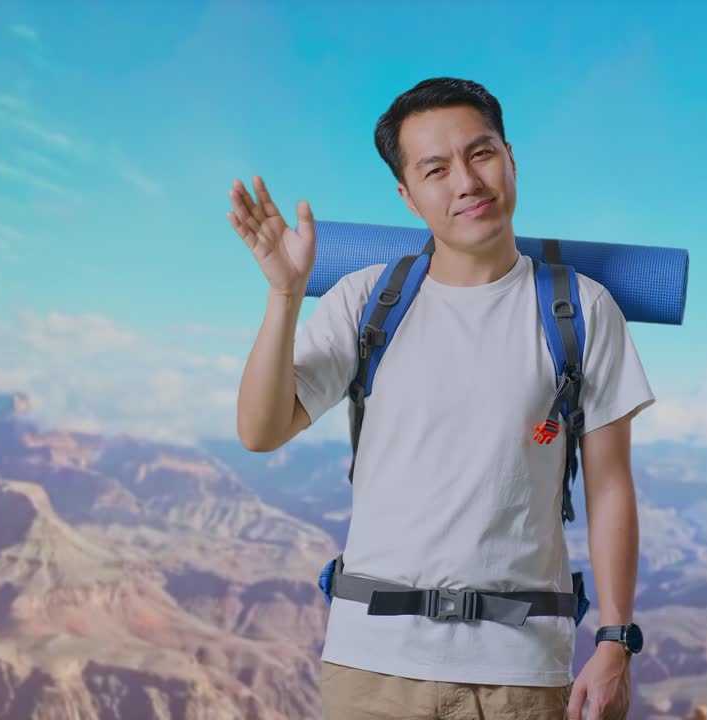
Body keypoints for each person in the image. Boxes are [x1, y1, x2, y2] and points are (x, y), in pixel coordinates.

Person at [228, 77, 654, 720]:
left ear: (511, 159)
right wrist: (285, 296)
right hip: (372, 667)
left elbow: (610, 484)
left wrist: (616, 637)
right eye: (435, 169)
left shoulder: (583, 311)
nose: (466, 181)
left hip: (519, 671)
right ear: (408, 195)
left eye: (481, 154)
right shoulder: (366, 300)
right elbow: (261, 431)